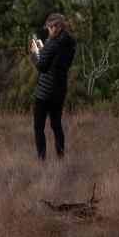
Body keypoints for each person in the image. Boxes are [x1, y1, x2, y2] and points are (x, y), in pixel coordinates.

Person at [30, 13, 76, 160]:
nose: (48, 30)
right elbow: (54, 60)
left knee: (39, 126)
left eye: (49, 27)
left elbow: (41, 66)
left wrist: (36, 52)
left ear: (56, 27)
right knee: (56, 125)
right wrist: (43, 50)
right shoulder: (70, 43)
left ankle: (42, 160)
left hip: (44, 92)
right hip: (59, 90)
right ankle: (60, 157)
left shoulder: (52, 43)